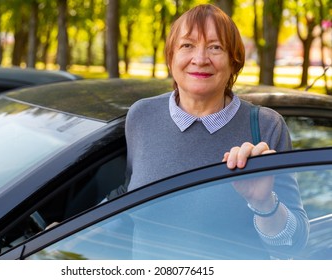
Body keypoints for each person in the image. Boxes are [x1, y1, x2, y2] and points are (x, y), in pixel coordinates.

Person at [120, 4, 309, 259]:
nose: (200, 58)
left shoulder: (265, 126)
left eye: (215, 47)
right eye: (187, 45)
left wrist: (263, 203)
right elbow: (124, 198)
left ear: (234, 61)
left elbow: (294, 243)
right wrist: (69, 231)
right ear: (171, 57)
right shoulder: (141, 116)